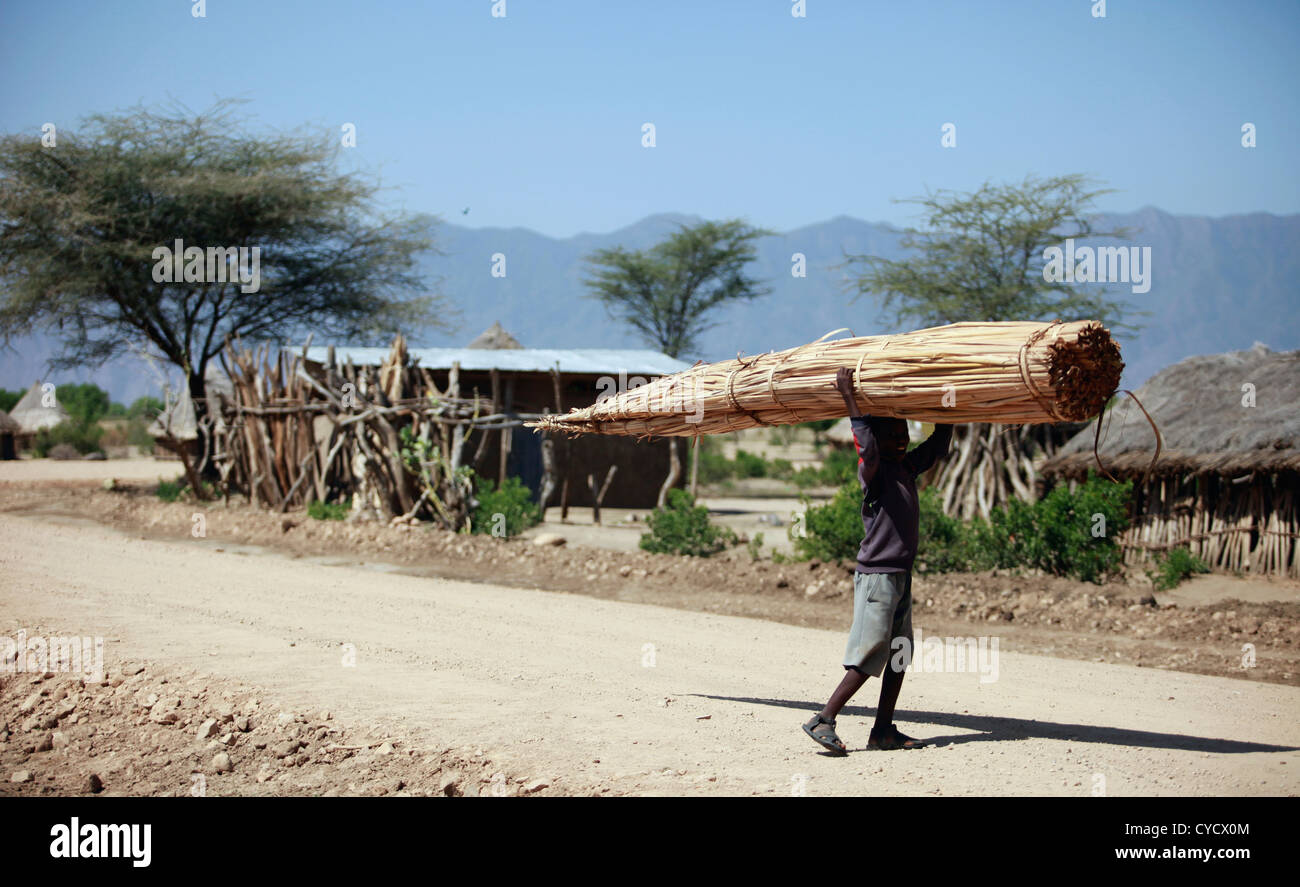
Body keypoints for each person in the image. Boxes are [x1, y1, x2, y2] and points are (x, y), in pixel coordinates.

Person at [802, 368, 953, 754]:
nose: (901, 441)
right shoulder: (875, 472)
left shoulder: (905, 468)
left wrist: (950, 404)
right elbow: (866, 446)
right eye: (893, 435)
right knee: (871, 651)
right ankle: (824, 718)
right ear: (879, 439)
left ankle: (883, 730)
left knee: (899, 652)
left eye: (904, 434)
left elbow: (938, 446)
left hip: (900, 575)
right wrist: (849, 396)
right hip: (878, 576)